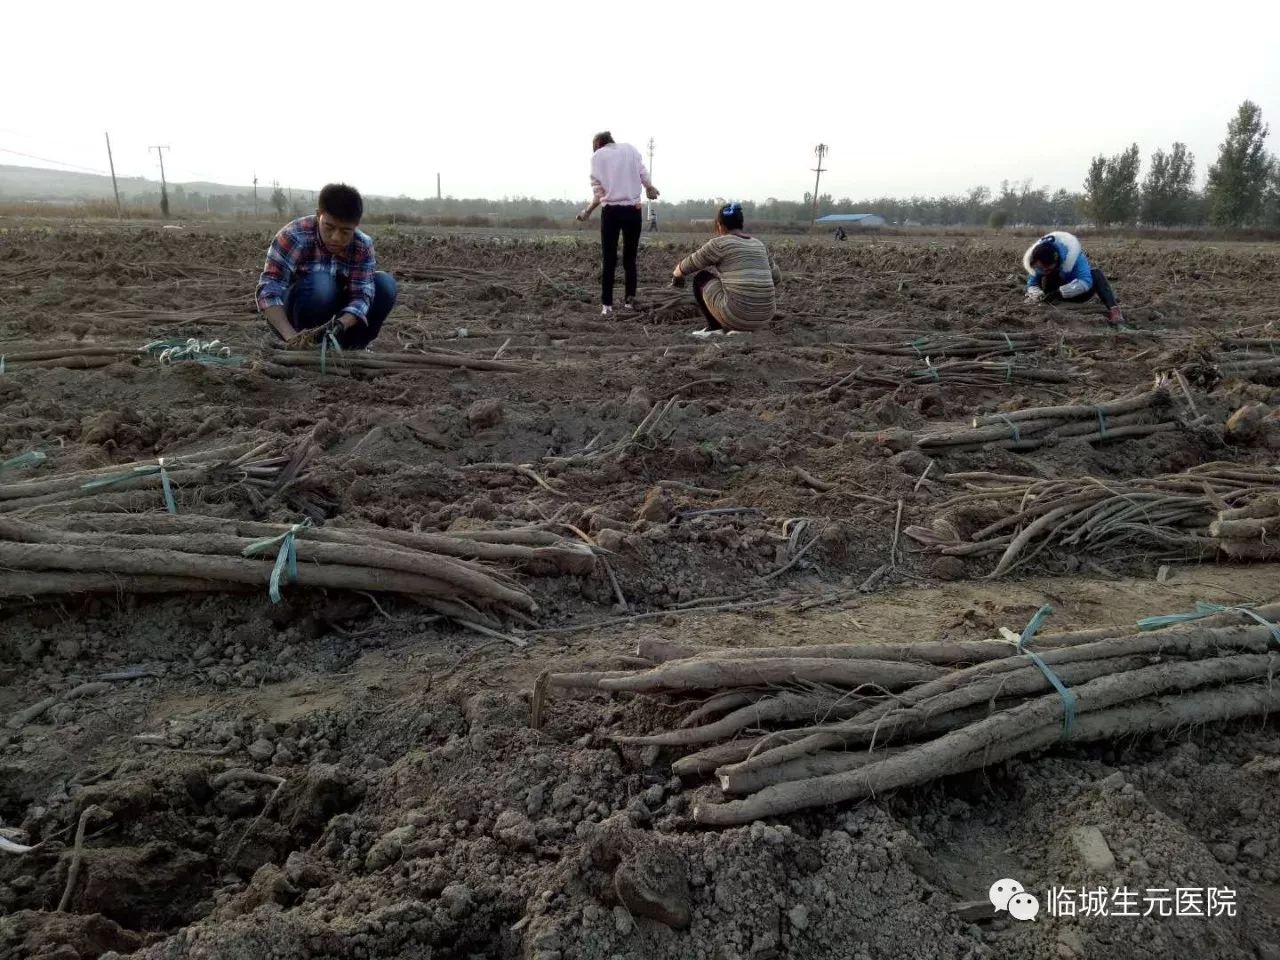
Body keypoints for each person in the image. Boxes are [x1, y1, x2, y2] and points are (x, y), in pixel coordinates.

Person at [256, 183, 398, 349]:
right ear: (318, 215)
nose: (336, 238)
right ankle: (307, 345)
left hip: (335, 318)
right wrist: (291, 338)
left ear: (356, 225)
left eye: (345, 232)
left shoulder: (362, 245)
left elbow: (361, 295)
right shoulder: (293, 236)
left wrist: (342, 323)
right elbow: (268, 291)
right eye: (329, 227)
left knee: (385, 285)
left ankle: (351, 350)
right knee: (322, 284)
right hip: (295, 316)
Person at [576, 132, 659, 315]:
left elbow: (598, 193)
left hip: (611, 212)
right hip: (633, 210)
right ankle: (629, 302)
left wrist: (587, 211)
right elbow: (643, 172)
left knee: (609, 259)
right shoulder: (630, 149)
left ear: (597, 144)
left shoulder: (597, 156)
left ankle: (607, 305)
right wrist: (649, 187)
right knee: (630, 259)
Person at [671, 202, 781, 338]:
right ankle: (746, 321)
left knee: (701, 278)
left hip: (736, 316)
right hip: (764, 317)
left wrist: (676, 277)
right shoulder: (759, 244)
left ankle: (714, 328)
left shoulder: (719, 244)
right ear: (741, 224)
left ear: (720, 226)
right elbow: (776, 278)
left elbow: (687, 266)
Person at [1023, 231, 1124, 324]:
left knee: (1096, 274)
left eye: (1048, 268)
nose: (1043, 270)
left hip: (1077, 292)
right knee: (1045, 277)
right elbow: (1032, 284)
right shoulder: (1038, 260)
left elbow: (1086, 281)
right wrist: (1038, 295)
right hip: (1050, 295)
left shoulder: (1075, 256)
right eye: (1041, 268)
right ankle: (1049, 303)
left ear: (1056, 260)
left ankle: (1114, 310)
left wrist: (1060, 292)